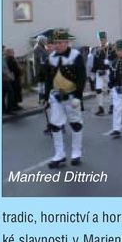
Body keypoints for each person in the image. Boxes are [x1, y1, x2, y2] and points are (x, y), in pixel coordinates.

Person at [40, 29, 87, 167]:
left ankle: (76, 153)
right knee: (55, 125)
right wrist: (46, 97)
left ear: (67, 42)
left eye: (61, 42)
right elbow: (48, 79)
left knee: (75, 124)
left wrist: (78, 96)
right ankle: (59, 154)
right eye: (56, 43)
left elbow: (81, 77)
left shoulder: (75, 55)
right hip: (56, 97)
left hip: (72, 96)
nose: (58, 45)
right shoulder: (52, 57)